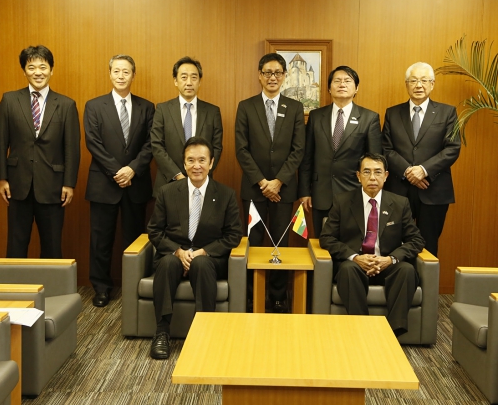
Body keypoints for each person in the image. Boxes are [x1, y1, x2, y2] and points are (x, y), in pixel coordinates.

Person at [148, 137, 242, 359]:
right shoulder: (167, 192)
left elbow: (233, 235)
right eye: (191, 160)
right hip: (174, 253)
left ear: (211, 163)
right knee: (168, 263)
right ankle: (161, 333)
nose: (196, 165)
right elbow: (155, 230)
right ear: (184, 163)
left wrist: (203, 252)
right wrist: (178, 252)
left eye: (202, 160)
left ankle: (205, 333)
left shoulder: (225, 194)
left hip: (209, 257)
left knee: (201, 263)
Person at [320, 153, 424, 336]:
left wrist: (390, 259)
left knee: (407, 270)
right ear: (358, 176)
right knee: (347, 270)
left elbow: (416, 240)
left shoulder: (400, 203)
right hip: (356, 265)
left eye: (378, 172)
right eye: (367, 172)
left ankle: (393, 332)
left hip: (387, 264)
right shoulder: (342, 201)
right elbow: (326, 237)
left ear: (386, 175)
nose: (373, 177)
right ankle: (362, 329)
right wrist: (355, 257)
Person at [0, 45, 81, 258]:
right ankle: (14, 282)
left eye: (43, 67)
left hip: (53, 186)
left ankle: (50, 282)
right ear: (24, 71)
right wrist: (2, 178)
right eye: (31, 67)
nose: (38, 72)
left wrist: (69, 183)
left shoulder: (66, 105)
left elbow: (72, 147)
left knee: (52, 247)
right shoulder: (9, 100)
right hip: (17, 185)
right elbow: (0, 141)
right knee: (16, 245)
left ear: (51, 70)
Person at [234, 53, 305, 313]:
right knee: (252, 243)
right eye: (267, 72)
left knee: (279, 243)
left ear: (284, 76)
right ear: (259, 75)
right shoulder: (246, 106)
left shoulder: (295, 107)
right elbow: (241, 149)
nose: (272, 77)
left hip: (284, 190)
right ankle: (251, 295)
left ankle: (277, 296)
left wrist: (278, 182)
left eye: (277, 73)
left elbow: (298, 150)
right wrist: (264, 182)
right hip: (254, 189)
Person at [84, 54, 155, 307]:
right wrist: (118, 171)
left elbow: (151, 143)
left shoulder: (147, 107)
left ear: (133, 75)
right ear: (110, 74)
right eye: (116, 71)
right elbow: (93, 143)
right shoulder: (94, 106)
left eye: (126, 71)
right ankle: (101, 289)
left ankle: (133, 288)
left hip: (135, 184)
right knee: (100, 240)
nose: (121, 76)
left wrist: (132, 170)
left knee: (134, 240)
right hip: (104, 183)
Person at [381, 62, 460, 257]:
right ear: (406, 84)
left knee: (428, 245)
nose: (419, 85)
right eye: (414, 80)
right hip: (399, 190)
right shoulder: (393, 113)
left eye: (424, 80)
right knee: (394, 244)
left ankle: (425, 279)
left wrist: (423, 170)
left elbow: (452, 148)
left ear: (432, 84)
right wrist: (408, 171)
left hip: (433, 190)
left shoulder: (447, 112)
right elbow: (386, 148)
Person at [299, 65, 382, 237]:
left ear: (356, 88)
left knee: (351, 244)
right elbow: (307, 157)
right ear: (329, 88)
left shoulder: (369, 118)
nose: (342, 84)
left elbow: (375, 161)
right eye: (337, 81)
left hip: (354, 193)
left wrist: (371, 192)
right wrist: (305, 191)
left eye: (347, 81)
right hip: (320, 194)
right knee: (321, 244)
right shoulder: (316, 116)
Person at [151, 56, 223, 197]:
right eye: (184, 77)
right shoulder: (163, 109)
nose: (189, 82)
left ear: (200, 81)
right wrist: (178, 175)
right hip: (168, 183)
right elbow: (157, 146)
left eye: (194, 77)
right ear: (175, 81)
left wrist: (199, 174)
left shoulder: (212, 111)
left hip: (202, 184)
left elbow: (217, 147)